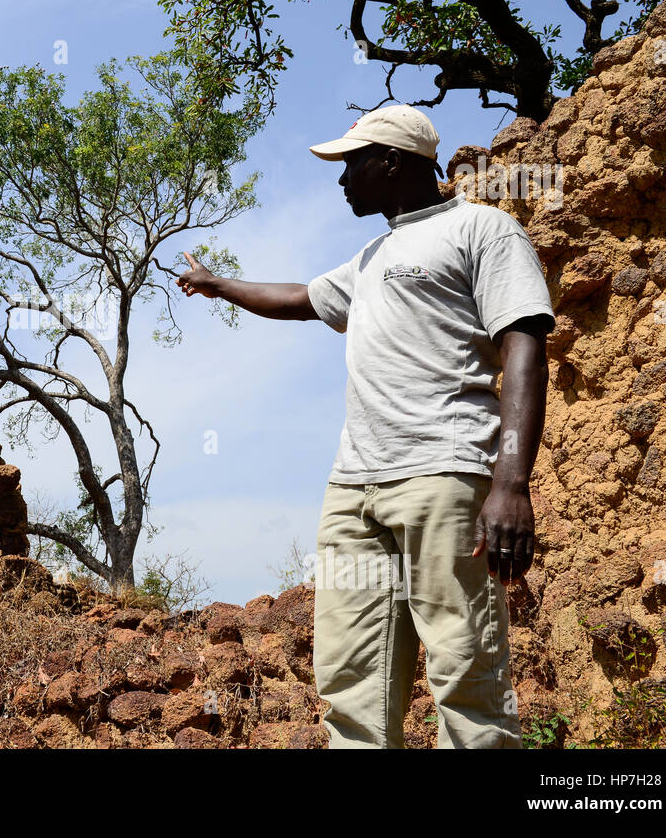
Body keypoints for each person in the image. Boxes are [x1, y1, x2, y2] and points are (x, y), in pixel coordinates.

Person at [176, 104, 554, 748]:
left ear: (393, 161)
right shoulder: (372, 256)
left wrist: (511, 481)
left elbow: (524, 344)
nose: (342, 180)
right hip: (354, 489)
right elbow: (300, 299)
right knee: (352, 683)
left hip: (444, 472)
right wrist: (217, 285)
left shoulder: (483, 229)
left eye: (352, 164)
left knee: (466, 672)